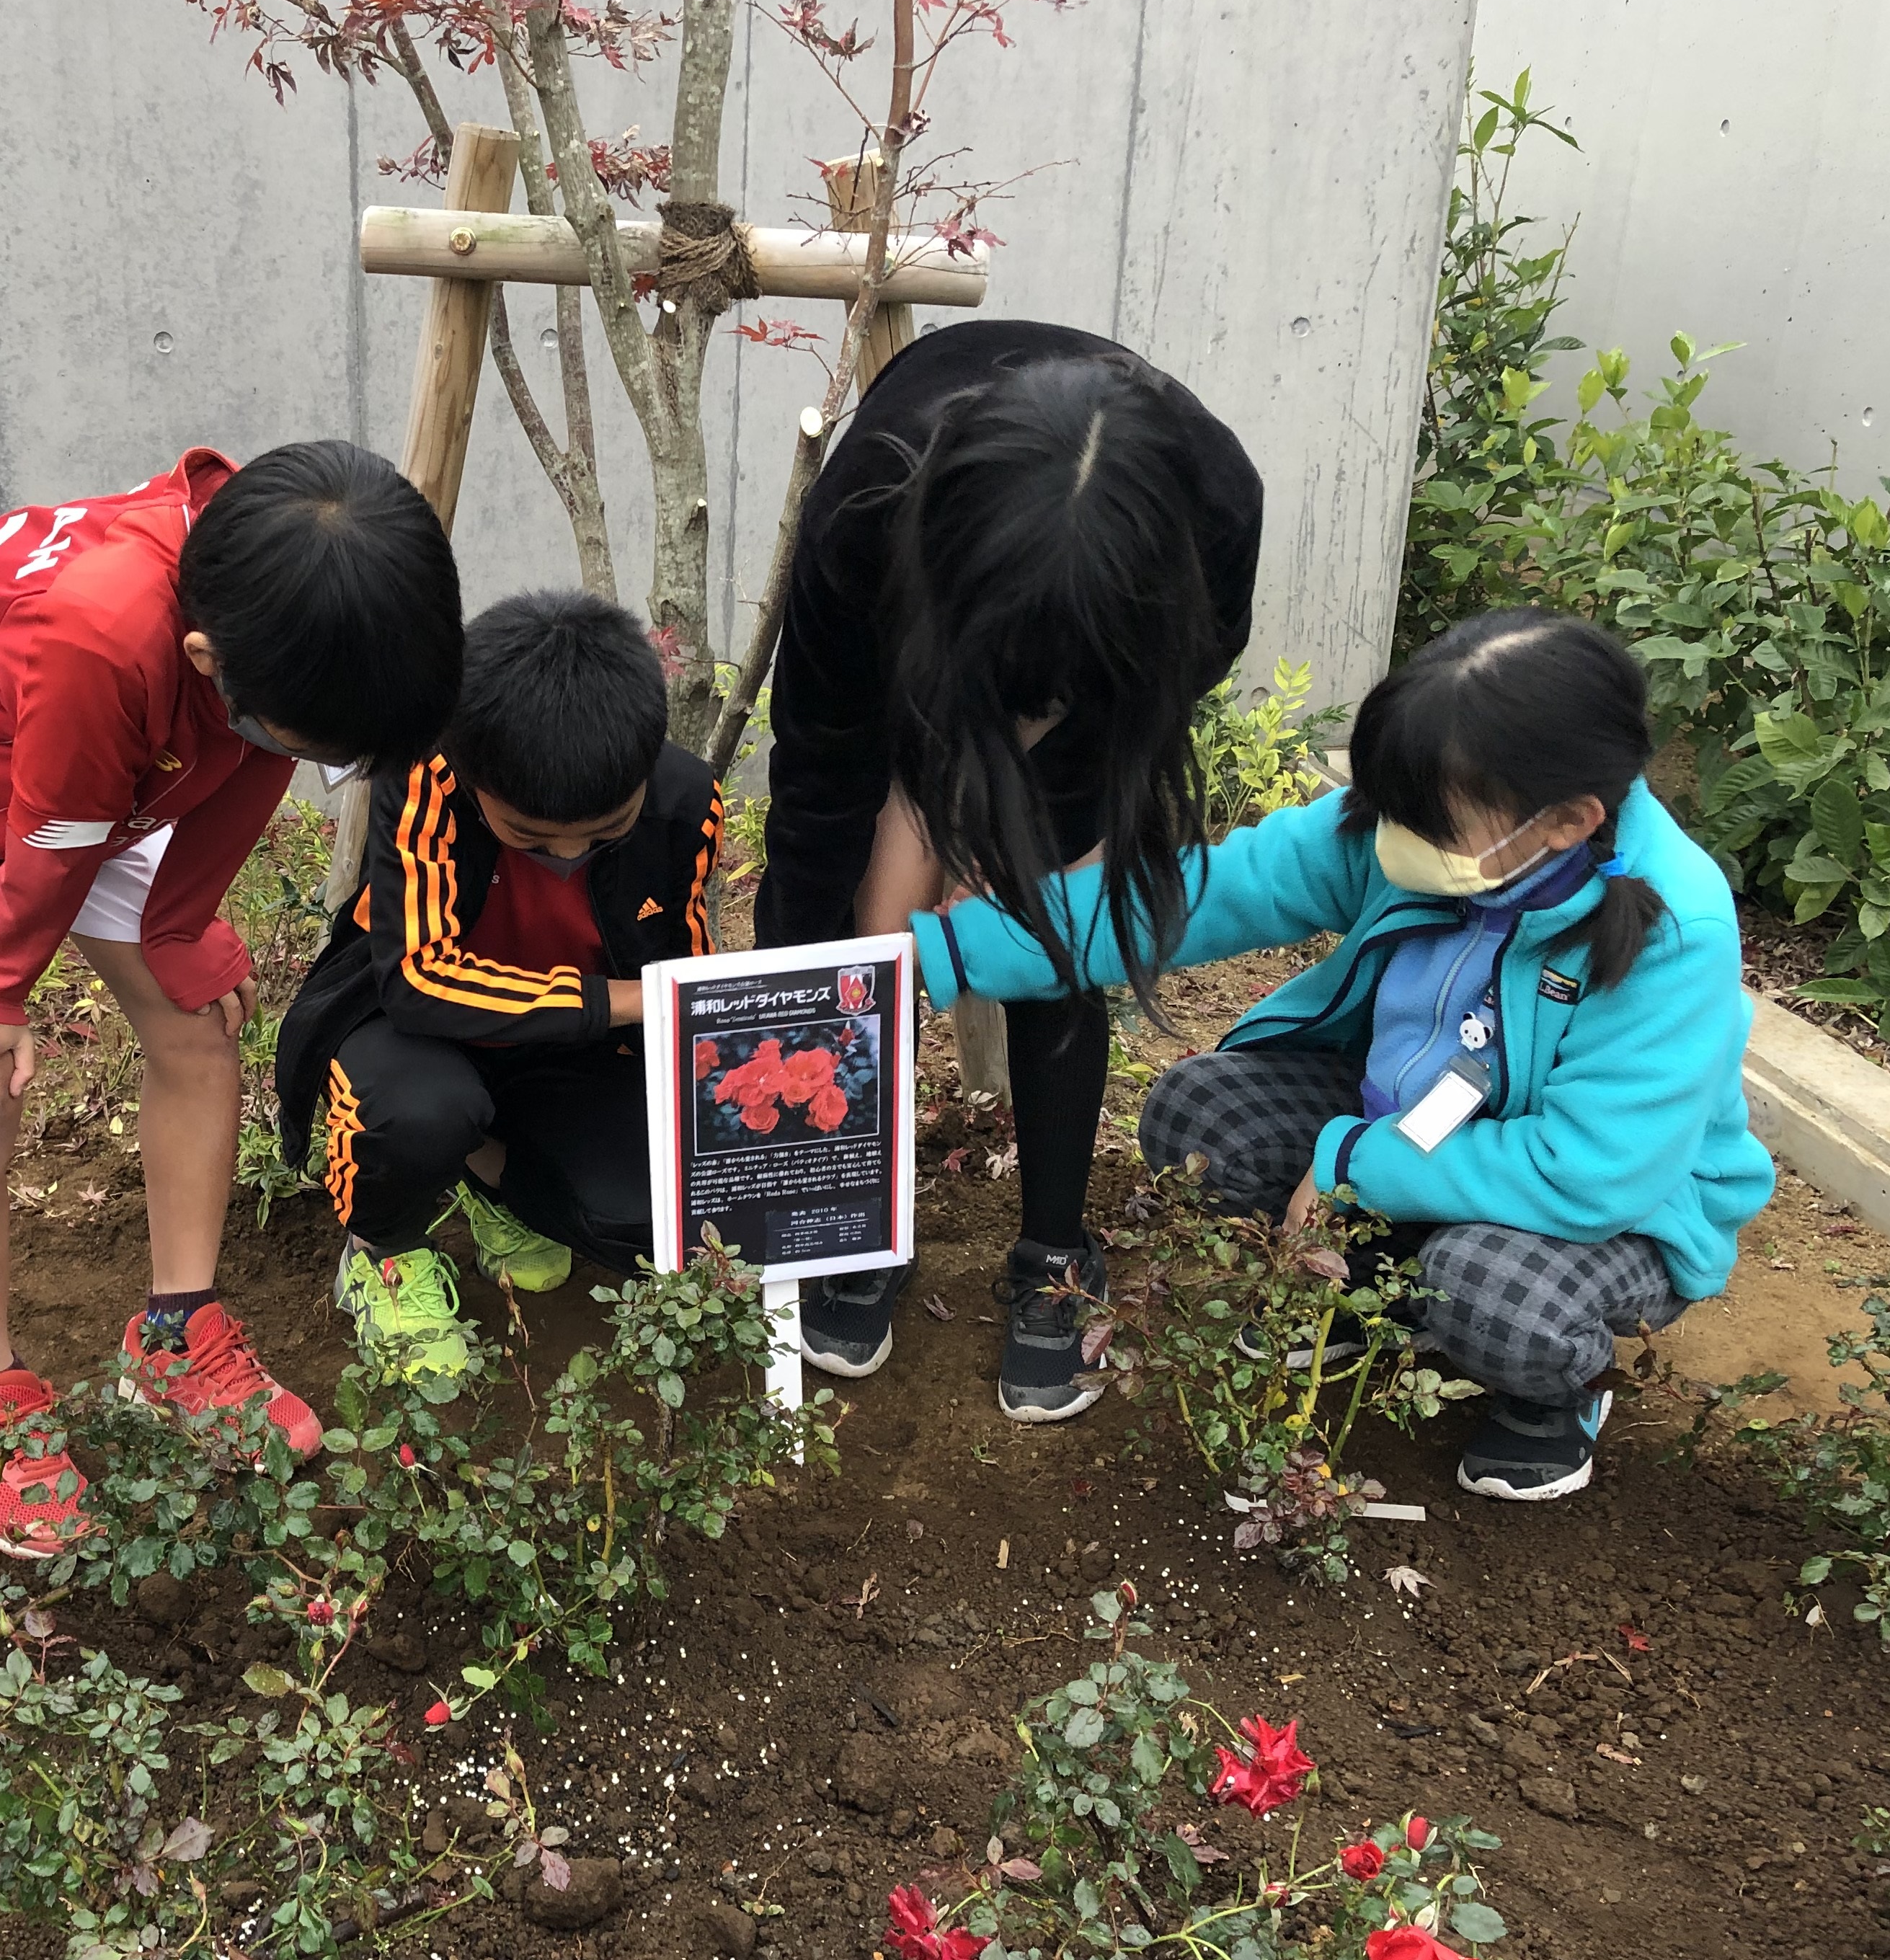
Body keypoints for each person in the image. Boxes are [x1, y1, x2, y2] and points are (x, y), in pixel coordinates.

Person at [915, 610, 1774, 1499]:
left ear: (1567, 821)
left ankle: (1555, 1394)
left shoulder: (1675, 928)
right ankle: (1380, 1295)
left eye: (1430, 819)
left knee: (1488, 1290)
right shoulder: (1425, 823)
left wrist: (1356, 1165)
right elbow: (1204, 896)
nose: (1392, 838)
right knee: (1201, 1117)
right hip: (1431, 1114)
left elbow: (1593, 1170)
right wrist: (950, 954)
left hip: (1614, 1206)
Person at [0, 441, 463, 1553]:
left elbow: (248, 768)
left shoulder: (288, 607)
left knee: (197, 1027)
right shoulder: (103, 630)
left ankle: (176, 1334)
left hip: (97, 761)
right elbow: (54, 829)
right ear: (208, 658)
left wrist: (179, 924)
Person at [755, 321, 1264, 1409]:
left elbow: (1162, 695)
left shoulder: (1215, 514)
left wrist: (1022, 829)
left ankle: (1055, 1250)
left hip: (1103, 677)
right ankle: (856, 1217)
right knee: (856, 913)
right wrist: (822, 976)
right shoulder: (863, 519)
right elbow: (817, 794)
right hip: (923, 622)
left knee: (1049, 925)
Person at [272, 590, 725, 1374]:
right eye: (531, 838)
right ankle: (384, 1251)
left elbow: (679, 957)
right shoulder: (422, 779)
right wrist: (627, 1003)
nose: (565, 855)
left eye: (604, 833)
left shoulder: (688, 802)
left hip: (568, 1048)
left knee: (653, 1217)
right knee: (414, 1115)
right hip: (411, 1032)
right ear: (471, 772)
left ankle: (486, 1174)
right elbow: (418, 978)